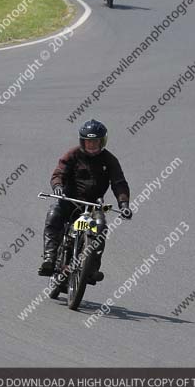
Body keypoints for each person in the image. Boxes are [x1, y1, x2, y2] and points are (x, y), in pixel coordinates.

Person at [39, 119, 132, 278]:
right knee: (54, 215)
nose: (92, 145)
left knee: (100, 227)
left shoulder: (110, 160)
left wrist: (124, 204)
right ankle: (49, 257)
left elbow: (119, 183)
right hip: (69, 201)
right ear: (82, 141)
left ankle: (92, 267)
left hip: (94, 206)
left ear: (102, 141)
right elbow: (58, 173)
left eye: (95, 142)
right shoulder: (73, 154)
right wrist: (58, 187)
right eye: (88, 141)